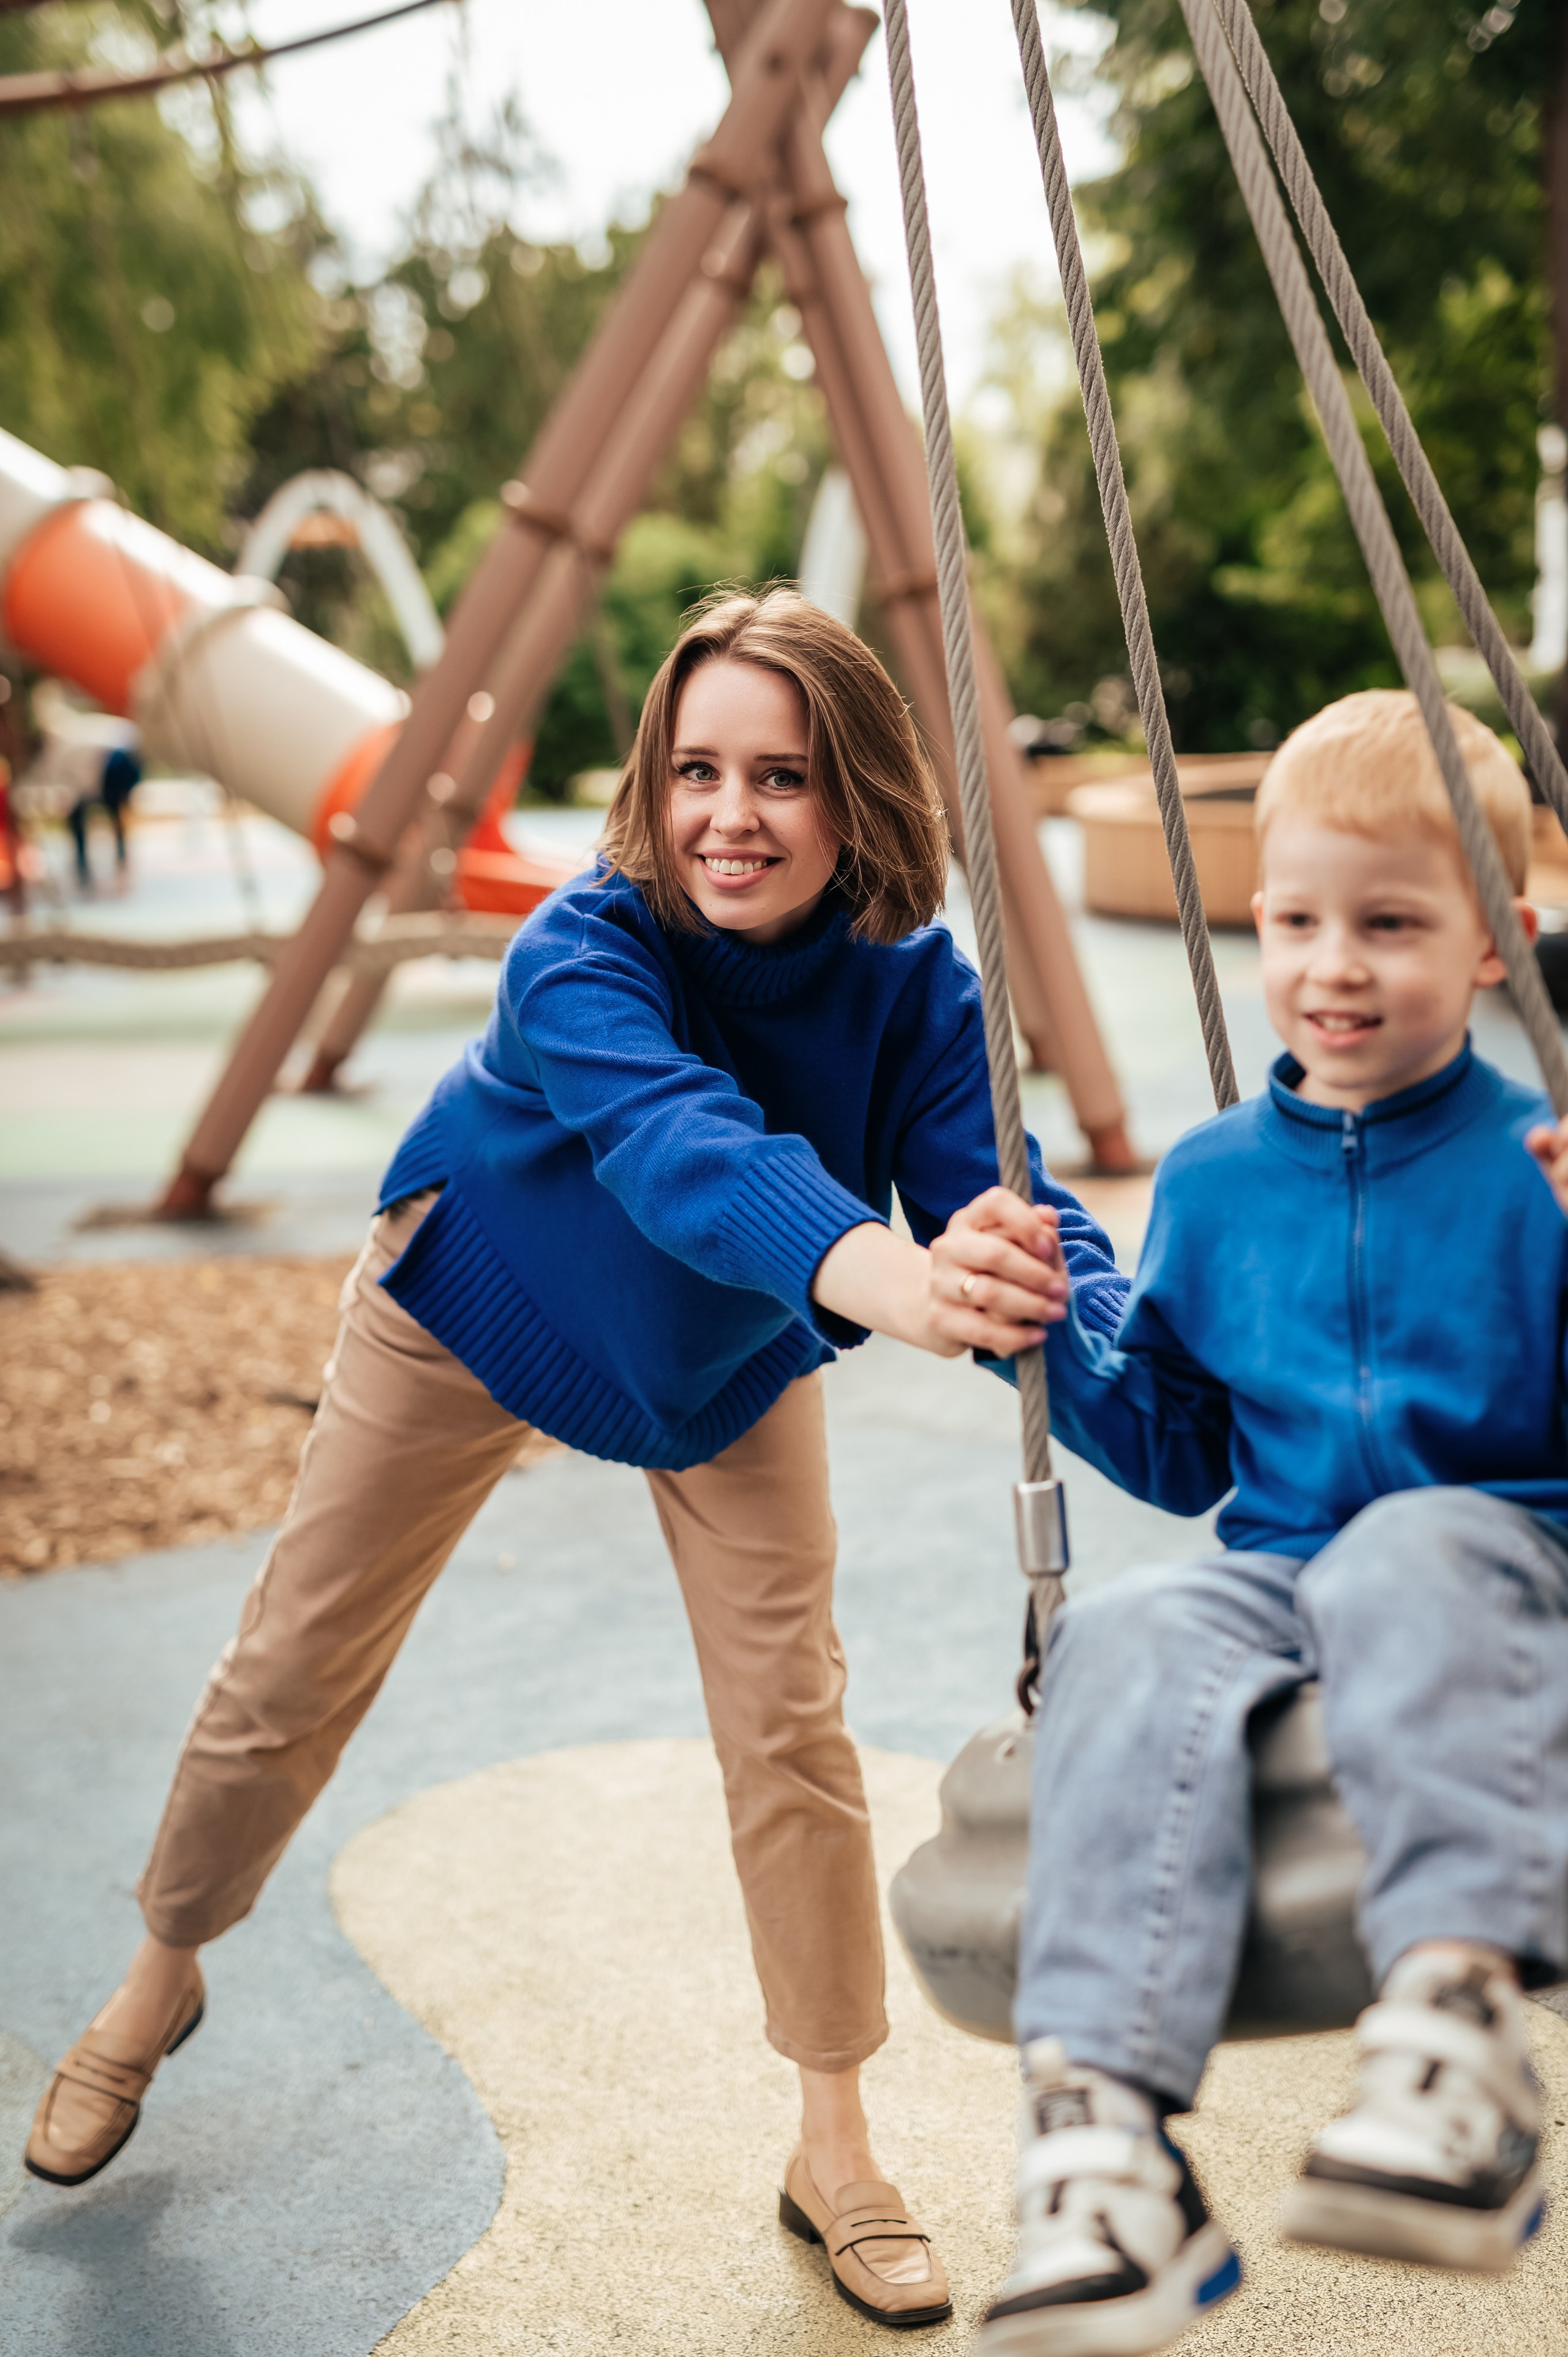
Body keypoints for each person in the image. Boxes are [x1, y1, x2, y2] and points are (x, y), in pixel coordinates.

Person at [24, 589, 1123, 2328]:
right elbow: (686, 1152)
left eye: (780, 776)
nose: (727, 816)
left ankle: (833, 2141)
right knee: (295, 1663)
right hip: (480, 1301)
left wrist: (1094, 1332)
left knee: (793, 1722)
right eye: (695, 769)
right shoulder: (581, 951)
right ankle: (161, 1970)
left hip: (729, 1354)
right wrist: (902, 1284)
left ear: (855, 798)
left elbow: (1009, 1212)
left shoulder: (916, 989)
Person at [979, 690, 1568, 2357]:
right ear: (1257, 922)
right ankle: (1104, 2139)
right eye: (1302, 920)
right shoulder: (1218, 1178)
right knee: (1127, 1625)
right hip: (1285, 1564)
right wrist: (1040, 1338)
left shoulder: (1540, 1163)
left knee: (1411, 1546)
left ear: (1492, 944)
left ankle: (1455, 2024)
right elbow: (1177, 1444)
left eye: (1393, 923)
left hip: (1506, 1548)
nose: (1337, 964)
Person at [66, 736, 141, 894]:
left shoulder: (119, 758)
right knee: (113, 824)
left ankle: (92, 870)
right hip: (95, 777)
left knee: (111, 824)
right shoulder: (118, 747)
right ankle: (88, 870)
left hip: (102, 777)